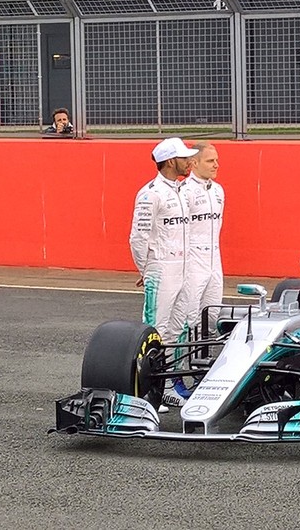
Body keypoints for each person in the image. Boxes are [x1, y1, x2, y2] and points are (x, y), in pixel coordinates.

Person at [129, 137, 198, 410]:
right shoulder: (150, 194)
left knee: (178, 328)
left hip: (183, 269)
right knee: (154, 329)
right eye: (184, 157)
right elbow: (138, 236)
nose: (190, 161)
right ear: (170, 161)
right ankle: (145, 390)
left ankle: (168, 385)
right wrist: (145, 269)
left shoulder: (181, 191)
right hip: (161, 269)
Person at [179, 141, 225, 343]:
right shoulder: (184, 191)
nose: (216, 165)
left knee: (213, 315)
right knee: (190, 316)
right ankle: (183, 362)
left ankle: (203, 368)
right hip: (193, 262)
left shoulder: (219, 190)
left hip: (215, 260)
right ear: (194, 163)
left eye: (217, 160)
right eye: (210, 161)